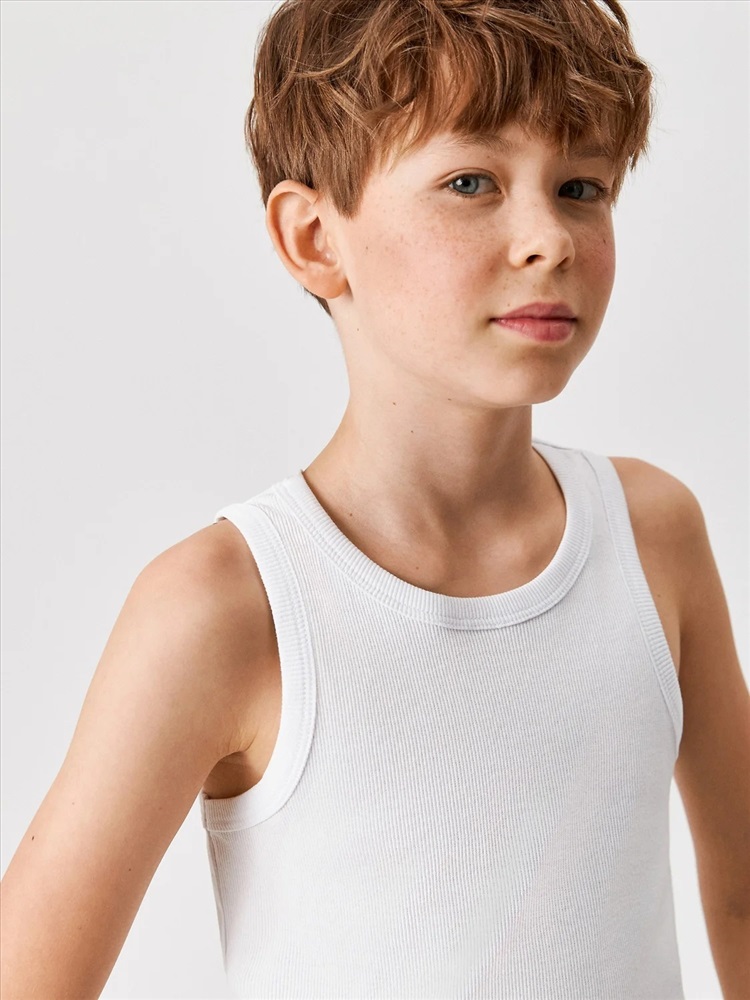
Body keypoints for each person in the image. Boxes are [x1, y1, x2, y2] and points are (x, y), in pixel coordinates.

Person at [2, 0, 748, 997]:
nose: (550, 239)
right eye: (472, 182)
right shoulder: (226, 607)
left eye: (582, 187)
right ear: (314, 237)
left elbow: (742, 899)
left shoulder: (653, 535)